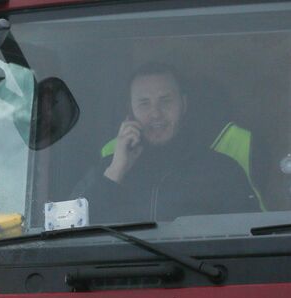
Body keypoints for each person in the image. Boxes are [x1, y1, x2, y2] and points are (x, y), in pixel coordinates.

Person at [72, 63, 259, 223]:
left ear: (183, 104)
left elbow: (249, 240)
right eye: (144, 103)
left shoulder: (220, 170)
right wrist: (115, 172)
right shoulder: (107, 170)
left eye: (165, 101)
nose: (155, 113)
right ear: (130, 111)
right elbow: (66, 229)